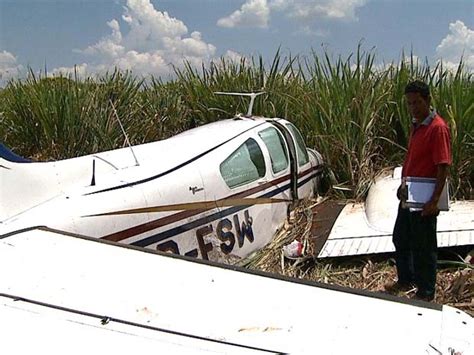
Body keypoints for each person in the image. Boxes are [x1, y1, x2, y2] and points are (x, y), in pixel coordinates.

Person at [386, 80, 451, 301]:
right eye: (409, 103)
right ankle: (407, 279)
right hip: (410, 194)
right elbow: (413, 161)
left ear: (428, 100)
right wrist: (402, 186)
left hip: (425, 198)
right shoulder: (417, 125)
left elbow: (442, 166)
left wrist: (433, 201)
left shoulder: (437, 128)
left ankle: (426, 291)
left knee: (424, 246)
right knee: (401, 237)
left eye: (417, 102)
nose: (413, 107)